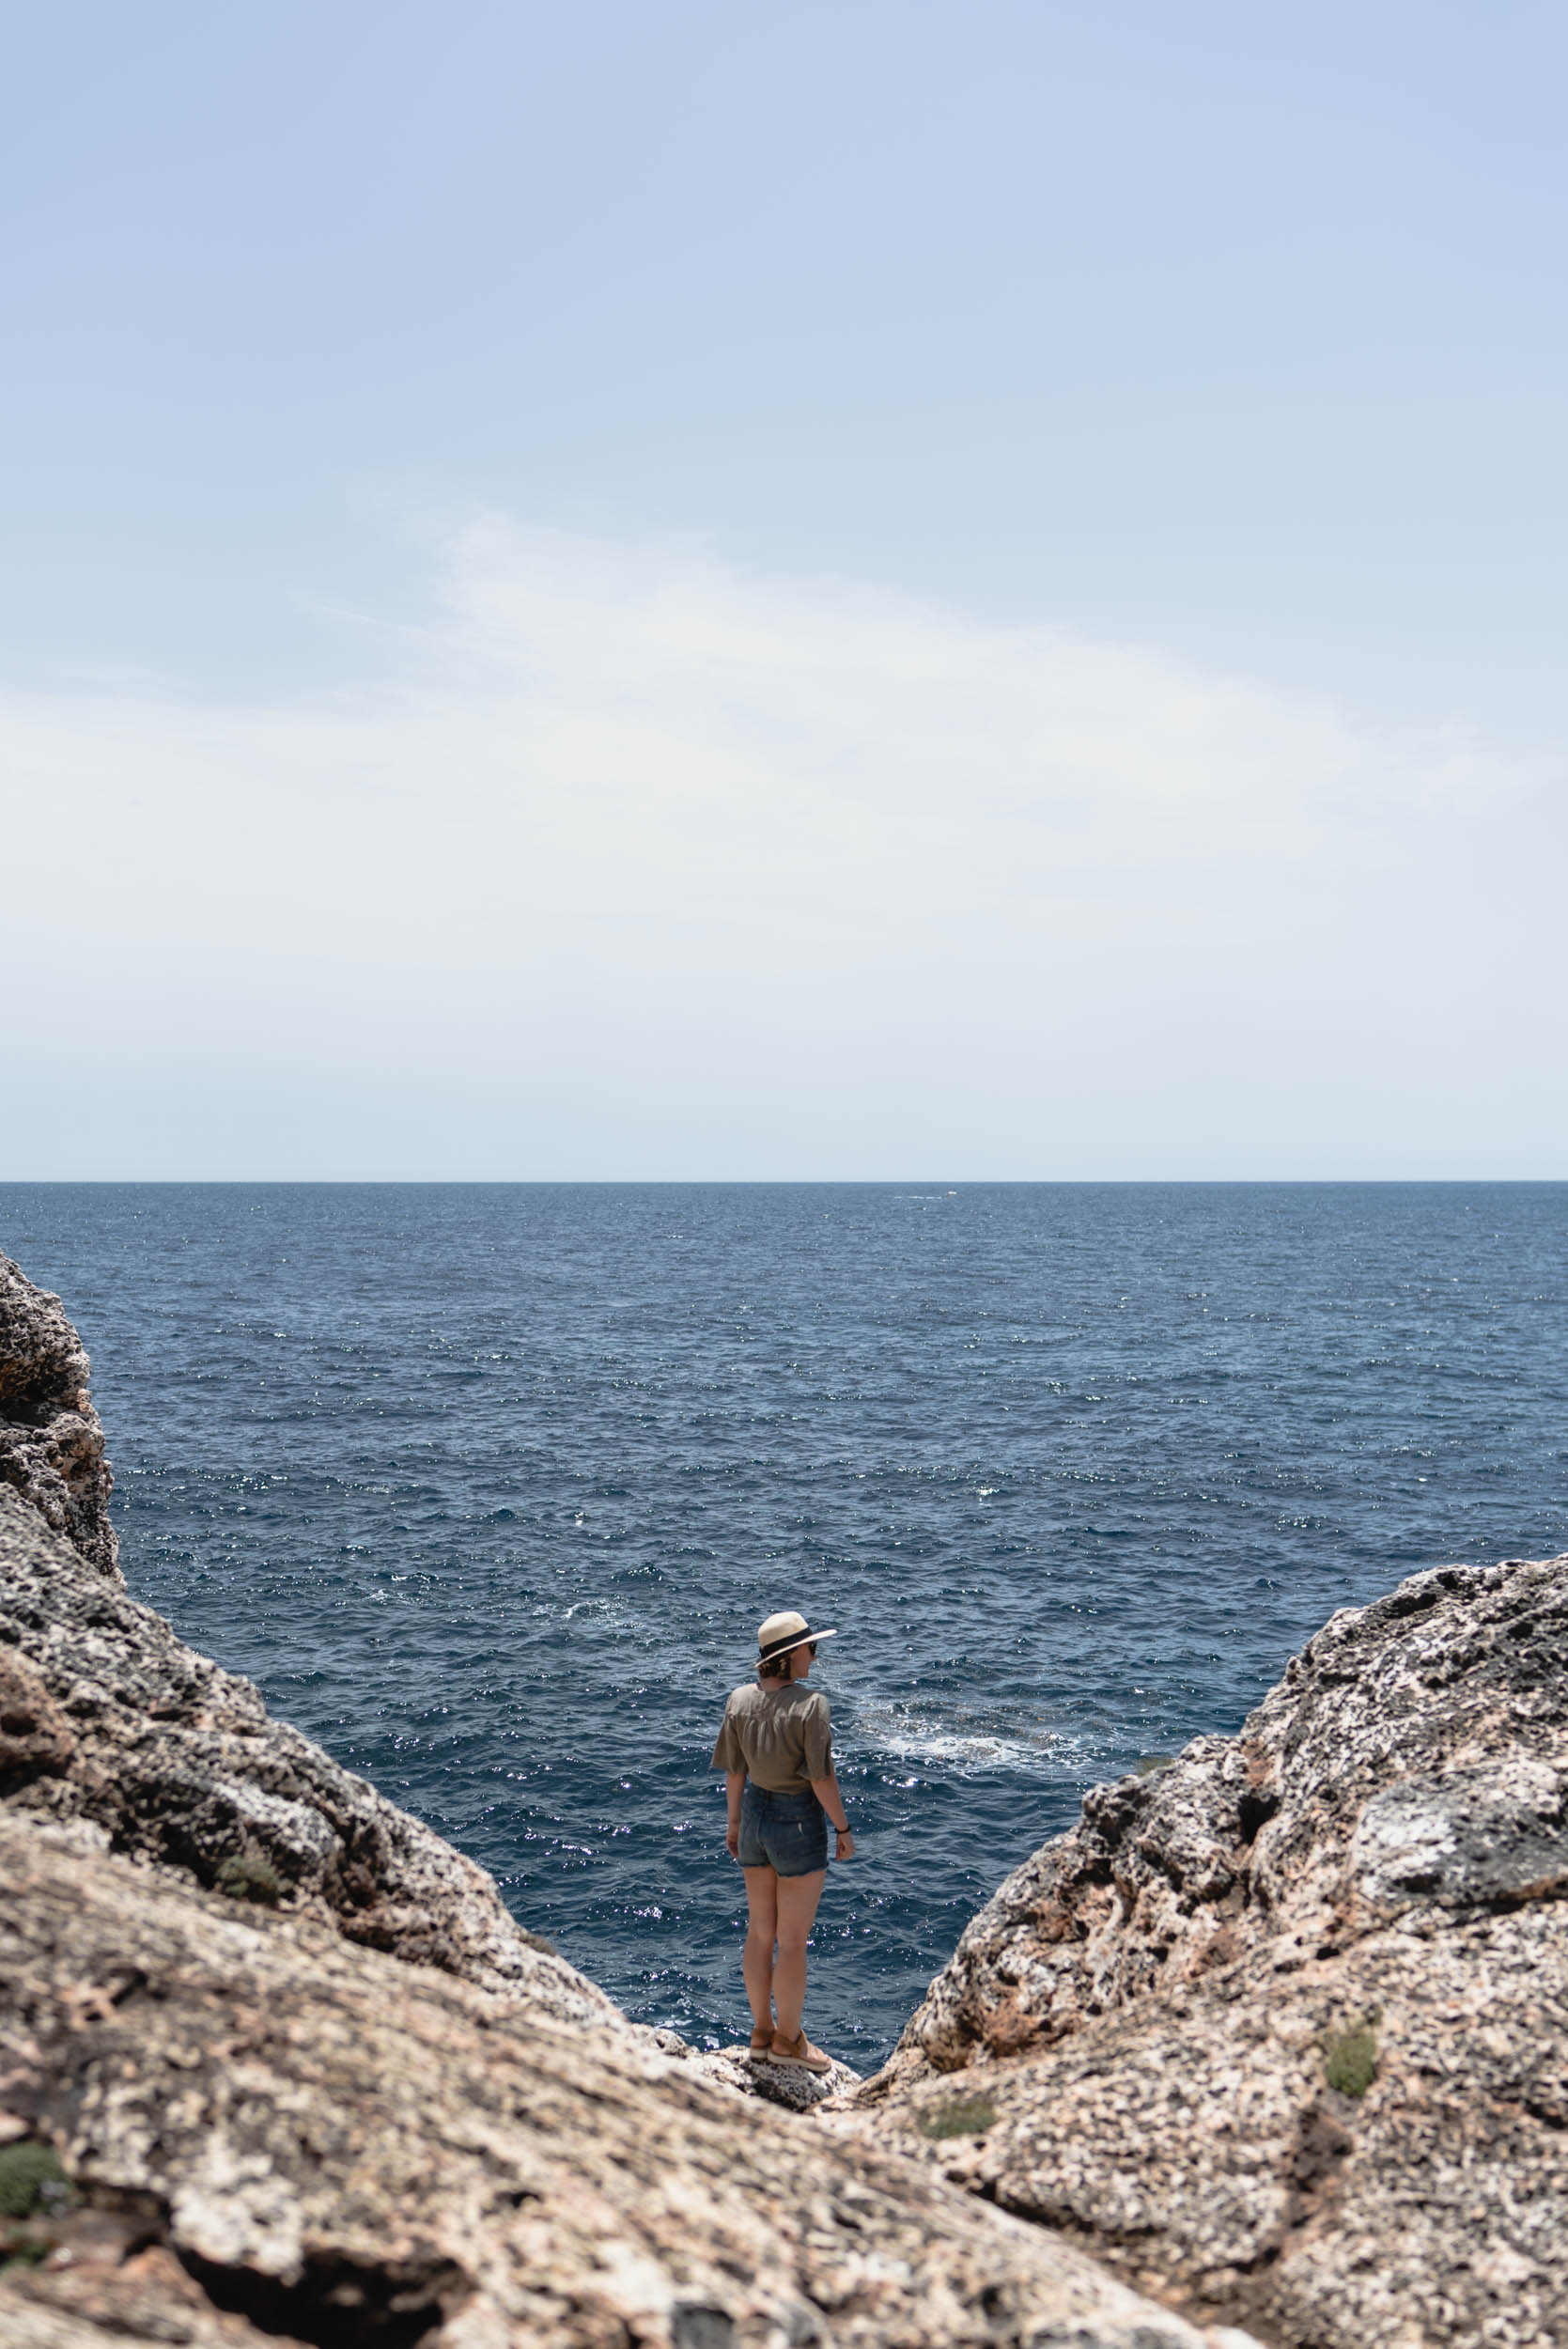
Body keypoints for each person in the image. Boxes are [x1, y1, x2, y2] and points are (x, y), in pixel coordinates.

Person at [709, 1609, 854, 2074]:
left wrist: (733, 1825)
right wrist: (843, 1828)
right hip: (796, 1825)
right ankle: (790, 2042)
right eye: (812, 1648)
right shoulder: (812, 1706)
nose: (816, 1655)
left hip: (753, 1817)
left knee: (759, 1932)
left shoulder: (738, 1701)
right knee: (792, 1942)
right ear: (792, 1655)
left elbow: (735, 1771)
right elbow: (821, 1778)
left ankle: (760, 2033)